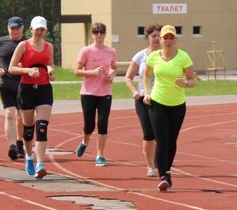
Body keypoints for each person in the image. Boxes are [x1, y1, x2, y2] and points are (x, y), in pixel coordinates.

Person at [143, 25, 195, 191]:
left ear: (176, 40)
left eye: (171, 37)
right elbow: (146, 74)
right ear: (160, 39)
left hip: (178, 105)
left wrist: (185, 83)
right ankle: (162, 176)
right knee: (162, 140)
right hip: (157, 102)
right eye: (165, 37)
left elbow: (192, 80)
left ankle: (167, 171)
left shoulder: (183, 57)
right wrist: (146, 92)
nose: (168, 40)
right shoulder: (153, 57)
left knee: (171, 141)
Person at [8, 16, 55, 179]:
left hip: (44, 89)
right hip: (27, 89)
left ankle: (41, 164)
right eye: (37, 29)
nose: (40, 32)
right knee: (28, 129)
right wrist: (27, 70)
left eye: (43, 29)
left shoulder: (49, 46)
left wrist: (50, 71)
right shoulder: (23, 45)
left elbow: (50, 63)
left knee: (41, 127)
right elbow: (11, 68)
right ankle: (29, 157)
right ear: (31, 30)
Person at [74, 22, 117, 167]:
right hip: (88, 92)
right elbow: (77, 71)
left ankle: (100, 155)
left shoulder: (111, 51)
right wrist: (91, 73)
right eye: (96, 32)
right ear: (92, 34)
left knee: (103, 123)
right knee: (89, 125)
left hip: (105, 92)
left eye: (101, 32)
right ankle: (85, 141)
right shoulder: (86, 51)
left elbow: (113, 67)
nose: (99, 35)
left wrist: (112, 75)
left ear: (105, 34)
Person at [125, 24, 161, 177]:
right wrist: (134, 92)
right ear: (147, 39)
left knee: (161, 134)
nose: (157, 39)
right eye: (154, 36)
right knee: (148, 133)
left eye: (159, 36)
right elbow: (128, 77)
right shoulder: (140, 56)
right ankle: (150, 166)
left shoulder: (165, 56)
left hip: (161, 98)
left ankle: (161, 161)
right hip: (142, 99)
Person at [0, 17, 27, 160]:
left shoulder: (27, 43)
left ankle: (19, 143)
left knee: (22, 117)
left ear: (22, 28)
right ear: (8, 28)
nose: (15, 30)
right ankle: (12, 146)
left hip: (24, 85)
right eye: (12, 28)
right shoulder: (2, 42)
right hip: (6, 83)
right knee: (10, 114)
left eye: (17, 28)